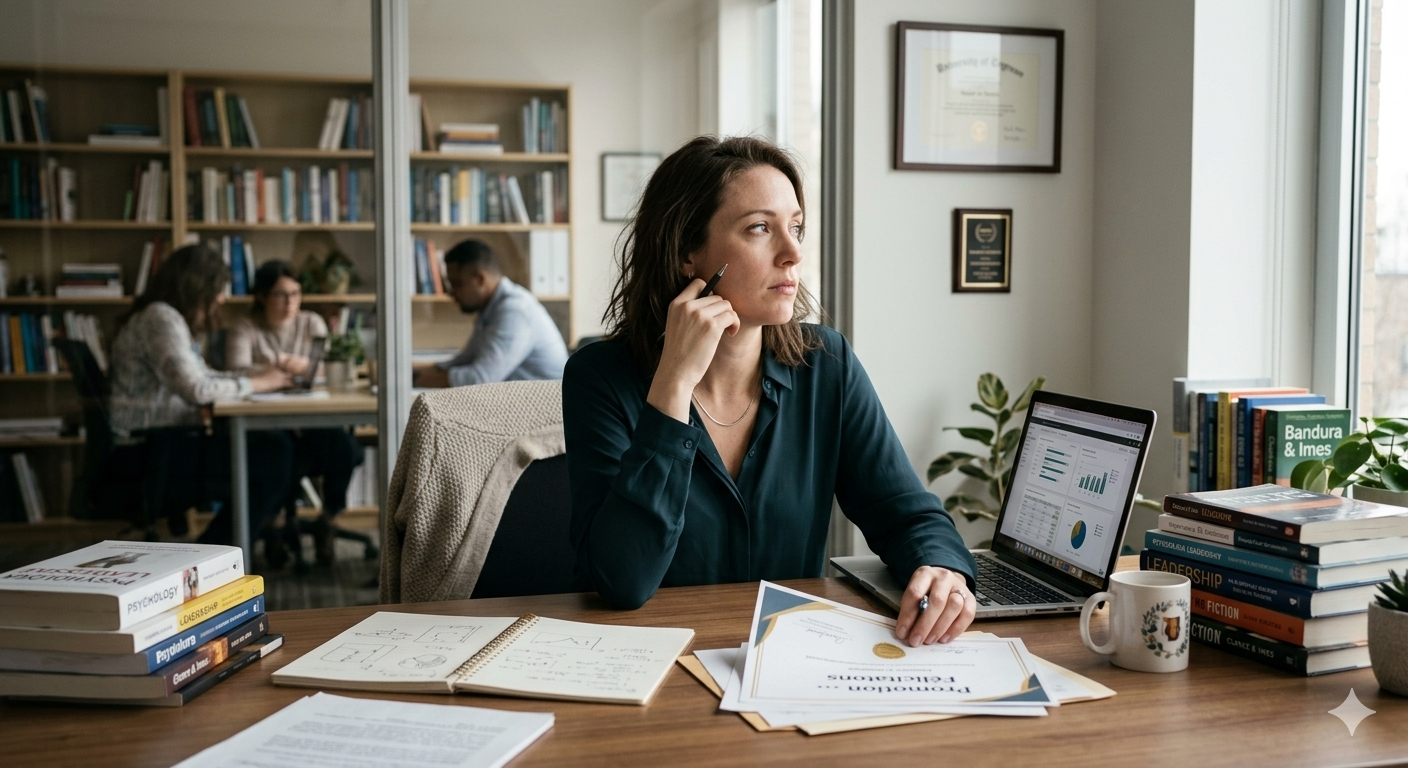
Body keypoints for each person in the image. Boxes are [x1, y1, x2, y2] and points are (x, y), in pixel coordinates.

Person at [563, 136, 977, 647]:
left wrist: (941, 567)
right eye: (759, 228)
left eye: (795, 227)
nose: (793, 253)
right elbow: (622, 581)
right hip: (654, 662)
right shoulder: (599, 377)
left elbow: (905, 512)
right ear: (688, 252)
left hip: (789, 658)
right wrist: (672, 385)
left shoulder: (826, 364)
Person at [109, 244, 293, 547]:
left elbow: (204, 376)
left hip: (160, 445)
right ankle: (217, 552)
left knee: (274, 448)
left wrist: (260, 377)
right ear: (196, 286)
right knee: (274, 456)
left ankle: (220, 549)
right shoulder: (161, 319)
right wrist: (258, 384)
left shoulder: (166, 317)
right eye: (216, 290)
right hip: (148, 453)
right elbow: (197, 390)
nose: (220, 299)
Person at [226, 260, 365, 567]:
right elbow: (235, 371)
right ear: (262, 296)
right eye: (280, 295)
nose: (290, 303)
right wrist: (273, 368)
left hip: (310, 420)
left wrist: (303, 367)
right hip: (265, 425)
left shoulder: (311, 322)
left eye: (295, 294)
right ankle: (273, 523)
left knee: (343, 447)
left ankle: (328, 520)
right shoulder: (245, 327)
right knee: (279, 451)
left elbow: (328, 367)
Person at [412, 239, 568, 388]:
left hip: (546, 404)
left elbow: (480, 379)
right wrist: (409, 370)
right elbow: (465, 361)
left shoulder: (515, 311)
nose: (451, 293)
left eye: (457, 284)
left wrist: (411, 380)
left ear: (480, 279)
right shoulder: (491, 308)